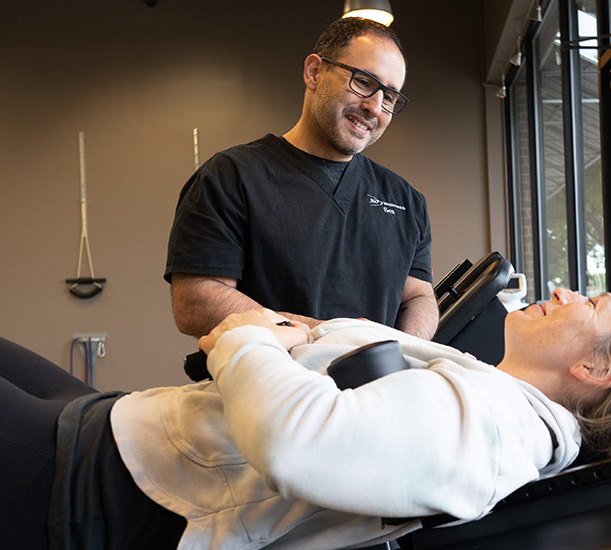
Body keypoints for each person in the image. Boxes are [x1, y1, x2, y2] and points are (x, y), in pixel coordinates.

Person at [0, 289, 611, 549]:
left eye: (590, 306)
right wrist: (300, 338)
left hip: (54, 492)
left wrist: (246, 333)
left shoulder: (507, 429)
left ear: (599, 371)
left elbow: (305, 442)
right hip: (95, 432)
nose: (566, 293)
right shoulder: (498, 393)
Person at [165, 17, 438, 340]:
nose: (375, 107)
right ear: (314, 72)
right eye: (364, 82)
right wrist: (327, 335)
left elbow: (418, 296)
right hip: (264, 385)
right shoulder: (230, 177)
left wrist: (406, 354)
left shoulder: (406, 201)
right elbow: (194, 301)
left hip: (376, 387)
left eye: (389, 97)